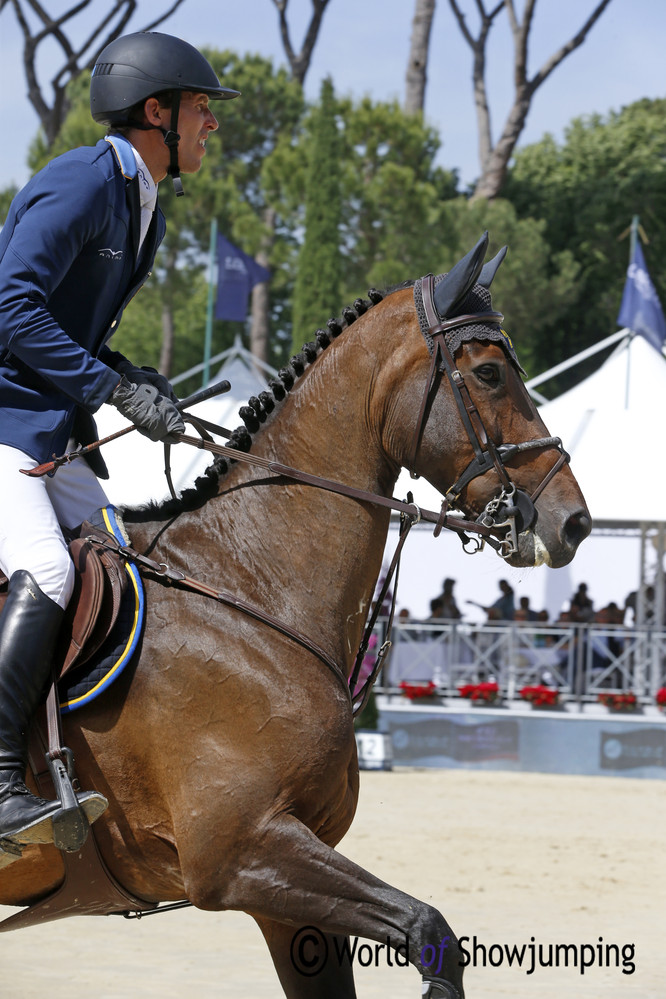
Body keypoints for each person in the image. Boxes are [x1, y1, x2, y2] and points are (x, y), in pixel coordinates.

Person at [0, 32, 239, 852]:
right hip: (3, 426)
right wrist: (112, 389)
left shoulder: (145, 208)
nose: (213, 126)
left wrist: (133, 374)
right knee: (49, 567)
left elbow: (66, 331)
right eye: (202, 110)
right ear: (156, 112)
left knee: (122, 559)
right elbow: (11, 311)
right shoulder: (80, 182)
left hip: (47, 431)